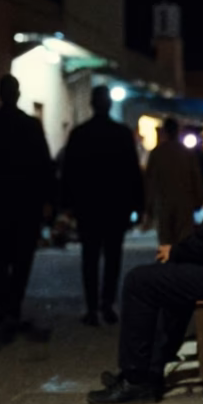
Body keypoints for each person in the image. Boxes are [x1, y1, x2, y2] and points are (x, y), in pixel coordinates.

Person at [88, 98, 203, 404]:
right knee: (170, 279)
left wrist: (177, 251)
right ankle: (149, 372)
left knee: (139, 282)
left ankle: (136, 378)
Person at [0, 74, 55, 332]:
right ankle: (13, 306)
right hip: (25, 204)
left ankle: (4, 306)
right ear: (17, 94)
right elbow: (44, 165)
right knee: (22, 258)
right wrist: (47, 200)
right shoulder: (30, 126)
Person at [60, 85, 144, 326]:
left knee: (90, 257)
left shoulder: (80, 134)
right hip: (115, 207)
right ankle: (107, 304)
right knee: (113, 257)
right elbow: (132, 172)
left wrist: (67, 204)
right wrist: (138, 205)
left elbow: (69, 172)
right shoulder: (122, 134)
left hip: (88, 207)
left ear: (91, 104)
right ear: (108, 104)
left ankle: (91, 308)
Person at [144, 117, 203, 245]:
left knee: (165, 241)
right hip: (184, 203)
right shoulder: (187, 153)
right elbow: (196, 178)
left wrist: (149, 207)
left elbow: (150, 182)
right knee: (183, 241)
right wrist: (199, 200)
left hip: (164, 203)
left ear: (164, 132)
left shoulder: (157, 153)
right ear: (178, 131)